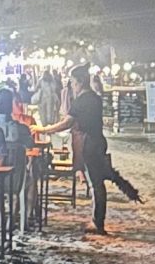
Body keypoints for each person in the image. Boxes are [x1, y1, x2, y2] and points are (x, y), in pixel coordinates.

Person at [60, 66, 141, 235]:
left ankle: (98, 222)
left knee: (96, 184)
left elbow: (66, 123)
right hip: (98, 141)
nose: (72, 86)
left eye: (73, 82)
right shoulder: (95, 98)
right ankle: (100, 217)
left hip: (89, 144)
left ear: (80, 82)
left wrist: (44, 130)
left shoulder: (81, 101)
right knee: (99, 181)